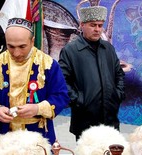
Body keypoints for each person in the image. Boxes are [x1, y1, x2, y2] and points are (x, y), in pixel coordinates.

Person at [0, 17, 69, 151]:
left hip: (39, 134)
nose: (16, 53)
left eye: (22, 46)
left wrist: (38, 109)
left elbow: (61, 96)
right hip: (5, 135)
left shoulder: (48, 64)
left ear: (32, 41)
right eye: (10, 47)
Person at [58, 6, 125, 140]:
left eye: (100, 25)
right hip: (85, 119)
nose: (97, 29)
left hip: (110, 118)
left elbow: (119, 74)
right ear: (82, 25)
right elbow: (63, 81)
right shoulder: (70, 51)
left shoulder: (108, 49)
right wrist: (79, 101)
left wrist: (117, 95)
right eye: (93, 25)